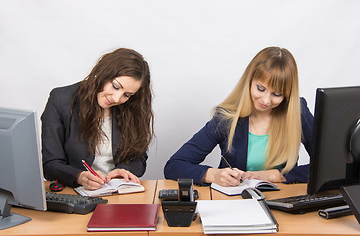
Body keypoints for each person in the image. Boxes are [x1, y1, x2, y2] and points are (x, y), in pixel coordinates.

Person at [164, 46, 314, 187]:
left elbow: (330, 165)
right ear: (249, 81)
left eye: (277, 94)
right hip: (237, 203)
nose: (266, 100)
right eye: (260, 88)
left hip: (285, 203)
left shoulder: (297, 113)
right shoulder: (226, 119)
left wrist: (277, 175)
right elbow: (174, 165)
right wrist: (214, 175)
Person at [41, 48, 154, 190]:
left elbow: (139, 157)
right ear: (103, 73)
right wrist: (79, 176)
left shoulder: (132, 108)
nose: (116, 98)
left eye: (127, 95)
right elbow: (51, 164)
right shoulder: (61, 100)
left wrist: (123, 171)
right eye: (115, 86)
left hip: (117, 191)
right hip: (75, 192)